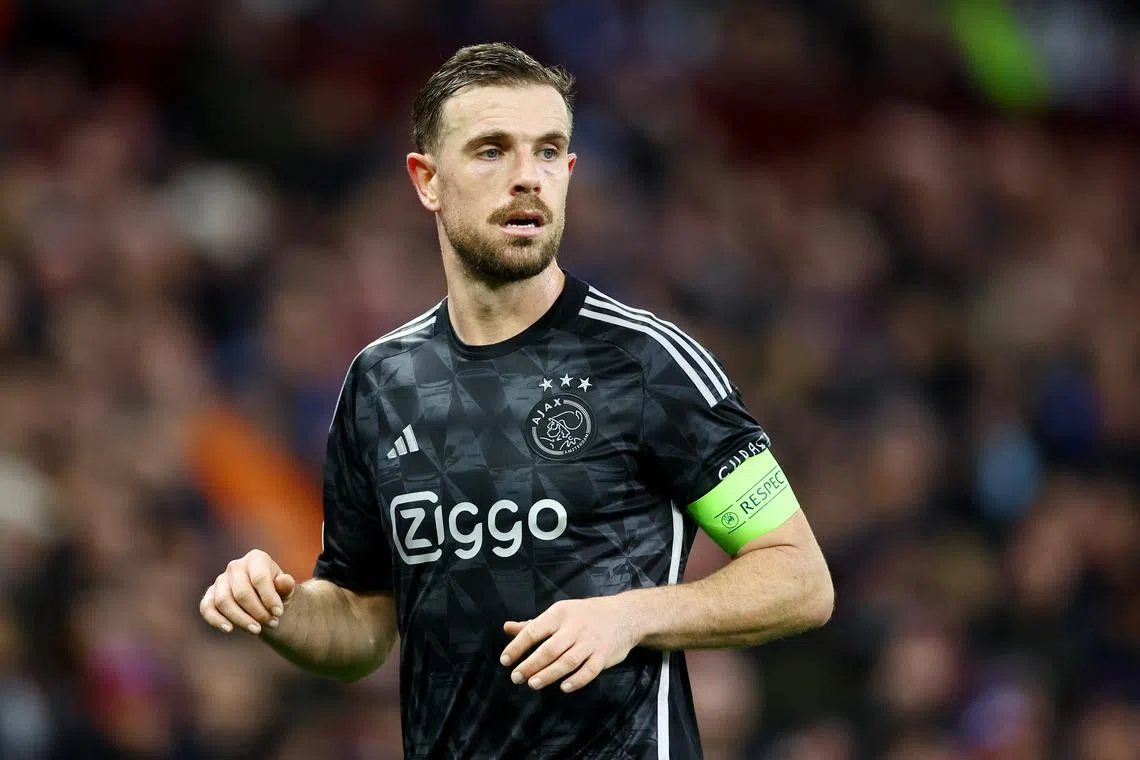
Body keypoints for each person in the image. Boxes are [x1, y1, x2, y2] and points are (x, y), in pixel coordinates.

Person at [198, 42, 834, 759]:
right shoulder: (381, 383)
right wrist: (281, 611)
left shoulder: (647, 364)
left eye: (548, 151)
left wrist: (632, 616)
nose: (526, 177)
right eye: (492, 151)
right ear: (427, 180)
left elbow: (798, 576)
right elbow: (362, 627)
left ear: (568, 172)